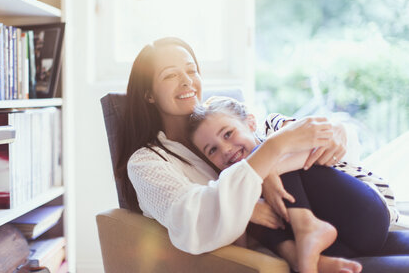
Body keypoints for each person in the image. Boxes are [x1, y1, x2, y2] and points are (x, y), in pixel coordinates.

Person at [117, 36, 409, 273]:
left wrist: (277, 161)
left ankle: (306, 235)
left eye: (191, 70)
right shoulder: (147, 162)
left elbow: (304, 135)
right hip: (308, 247)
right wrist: (257, 182)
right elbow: (191, 218)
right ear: (149, 94)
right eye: (170, 75)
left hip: (349, 216)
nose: (186, 81)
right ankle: (302, 251)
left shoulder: (226, 120)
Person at [188, 96, 395, 272]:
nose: (225, 149)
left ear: (250, 123)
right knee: (245, 189)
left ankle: (306, 226)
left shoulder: (274, 126)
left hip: (364, 211)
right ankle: (299, 254)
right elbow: (240, 244)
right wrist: (244, 208)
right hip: (340, 246)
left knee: (265, 154)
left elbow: (317, 144)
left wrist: (268, 172)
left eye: (228, 134)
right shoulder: (232, 181)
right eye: (212, 150)